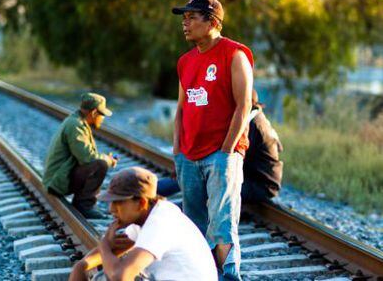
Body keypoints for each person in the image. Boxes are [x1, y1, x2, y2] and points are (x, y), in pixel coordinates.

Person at [172, 0, 254, 280]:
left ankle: (230, 276)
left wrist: (227, 151)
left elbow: (244, 106)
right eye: (184, 18)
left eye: (192, 17)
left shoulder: (235, 54)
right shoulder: (185, 62)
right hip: (189, 155)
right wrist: (177, 151)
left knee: (221, 224)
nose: (186, 23)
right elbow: (181, 108)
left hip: (221, 155)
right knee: (193, 226)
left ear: (213, 21)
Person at [69, 167, 218, 281]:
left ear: (141, 202)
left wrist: (104, 246)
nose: (111, 209)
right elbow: (116, 249)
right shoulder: (145, 217)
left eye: (118, 202)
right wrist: (81, 265)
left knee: (112, 272)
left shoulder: (160, 223)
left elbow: (121, 276)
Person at [157, 90, 283, 204]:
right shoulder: (253, 118)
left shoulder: (252, 126)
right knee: (192, 174)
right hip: (249, 176)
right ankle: (152, 193)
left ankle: (162, 211)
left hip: (260, 186)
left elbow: (229, 160)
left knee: (203, 187)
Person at [43, 93, 117, 219]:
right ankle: (84, 206)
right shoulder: (76, 125)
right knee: (100, 164)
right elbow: (88, 158)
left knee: (99, 162)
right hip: (56, 181)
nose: (103, 119)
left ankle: (82, 204)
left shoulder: (76, 121)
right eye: (102, 115)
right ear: (94, 113)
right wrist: (109, 160)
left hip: (59, 176)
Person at [241, 90, 283, 204]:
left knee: (217, 184)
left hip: (262, 186)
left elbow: (239, 156)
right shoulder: (259, 119)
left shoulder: (253, 124)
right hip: (264, 182)